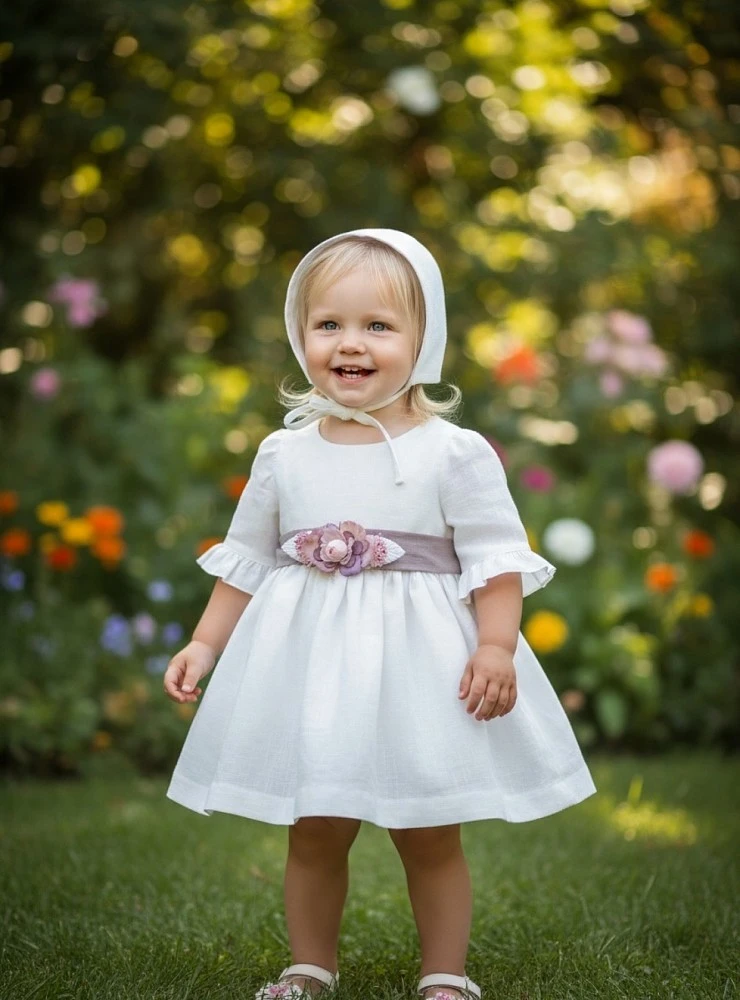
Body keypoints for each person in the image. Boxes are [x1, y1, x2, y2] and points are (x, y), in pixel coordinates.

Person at [163, 229, 597, 1000]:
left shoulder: (451, 452)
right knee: (316, 822)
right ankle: (308, 964)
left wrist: (496, 646)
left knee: (427, 828)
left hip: (419, 669)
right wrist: (205, 642)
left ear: (423, 338)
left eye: (378, 326)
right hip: (314, 672)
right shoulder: (283, 454)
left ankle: (445, 975)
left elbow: (495, 558)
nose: (350, 344)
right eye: (328, 324)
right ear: (302, 336)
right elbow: (247, 560)